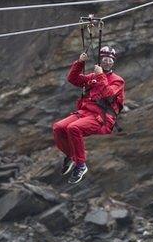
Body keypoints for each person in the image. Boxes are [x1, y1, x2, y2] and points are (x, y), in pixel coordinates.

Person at [52, 46, 125, 184]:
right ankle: (71, 155)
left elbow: (108, 94)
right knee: (58, 127)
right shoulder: (93, 77)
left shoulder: (117, 80)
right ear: (100, 60)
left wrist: (100, 75)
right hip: (85, 113)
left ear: (113, 62)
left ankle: (80, 165)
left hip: (102, 118)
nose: (107, 62)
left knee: (73, 128)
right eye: (105, 59)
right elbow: (73, 79)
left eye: (110, 59)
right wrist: (80, 62)